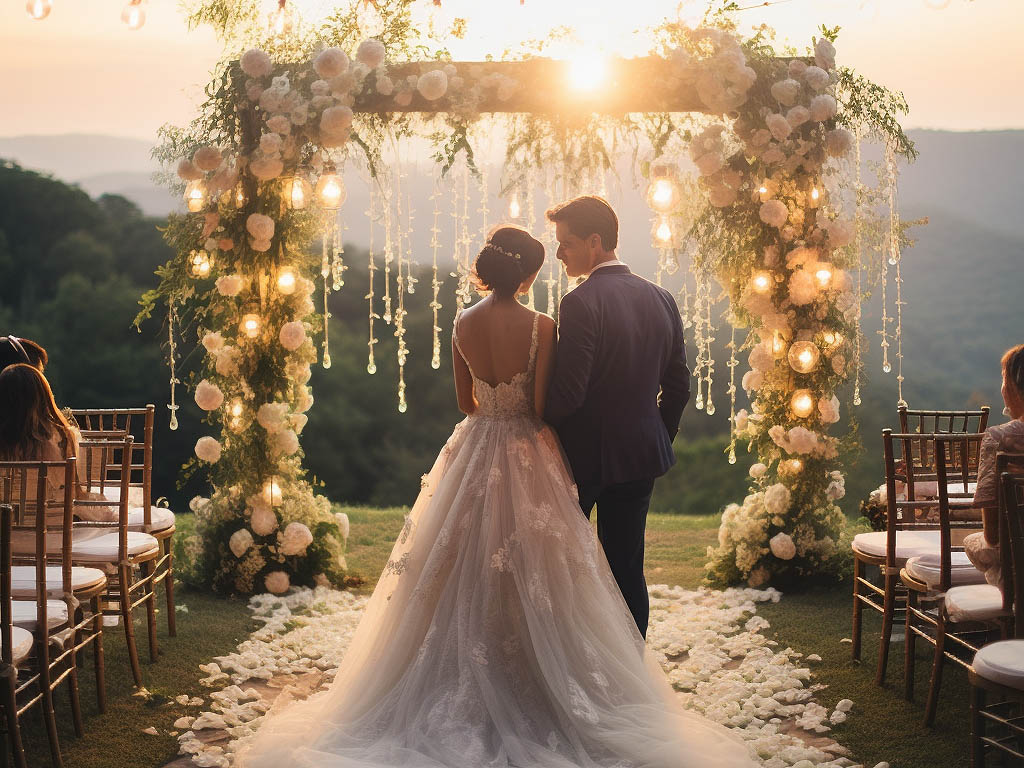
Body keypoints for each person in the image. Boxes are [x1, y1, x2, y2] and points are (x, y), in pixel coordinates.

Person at [237, 225, 754, 768]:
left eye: (568, 241)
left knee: (471, 565)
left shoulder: (462, 323)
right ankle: (589, 677)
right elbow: (548, 401)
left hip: (476, 447)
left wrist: (497, 411)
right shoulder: (547, 323)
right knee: (571, 568)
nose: (560, 253)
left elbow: (468, 403)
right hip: (542, 450)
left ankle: (485, 669)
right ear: (529, 274)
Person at [544, 195, 689, 638]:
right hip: (640, 454)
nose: (559, 253)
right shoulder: (662, 298)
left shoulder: (580, 302)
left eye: (565, 244)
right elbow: (679, 385)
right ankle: (632, 673)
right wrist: (655, 432)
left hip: (580, 458)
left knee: (560, 564)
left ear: (594, 241)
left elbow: (570, 392)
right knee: (628, 567)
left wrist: (533, 427)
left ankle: (566, 659)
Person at [963, 343, 1024, 586]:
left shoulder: (999, 438)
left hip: (1017, 569)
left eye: (1003, 379)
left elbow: (993, 536)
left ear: (1013, 387)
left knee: (973, 543)